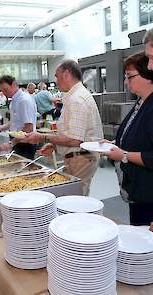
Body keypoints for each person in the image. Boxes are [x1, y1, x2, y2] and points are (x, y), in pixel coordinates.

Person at [19, 60, 103, 195]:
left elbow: (75, 140)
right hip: (78, 157)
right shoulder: (75, 96)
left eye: (57, 76)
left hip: (80, 159)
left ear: (66, 74)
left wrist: (43, 137)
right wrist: (54, 145)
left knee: (75, 202)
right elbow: (74, 133)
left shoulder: (77, 99)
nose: (56, 80)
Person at [102, 51, 153, 226]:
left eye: (129, 77)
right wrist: (114, 144)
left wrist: (123, 155)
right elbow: (138, 138)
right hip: (137, 191)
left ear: (148, 76)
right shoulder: (140, 102)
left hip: (148, 193)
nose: (125, 82)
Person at [0, 75, 37, 159]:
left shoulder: (24, 100)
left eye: (5, 89)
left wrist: (11, 143)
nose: (4, 93)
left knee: (25, 169)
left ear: (14, 85)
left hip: (25, 142)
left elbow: (29, 127)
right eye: (2, 90)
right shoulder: (14, 100)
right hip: (18, 140)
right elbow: (14, 122)